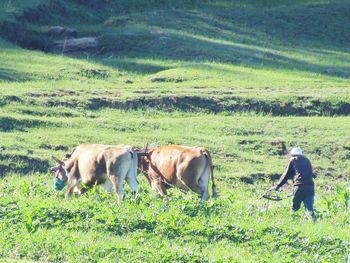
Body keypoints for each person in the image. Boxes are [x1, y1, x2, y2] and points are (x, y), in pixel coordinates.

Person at [270, 146, 316, 221]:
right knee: (309, 208)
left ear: (292, 155)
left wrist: (278, 186)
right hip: (310, 187)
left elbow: (286, 174)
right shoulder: (307, 160)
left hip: (299, 187)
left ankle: (291, 220)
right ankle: (313, 222)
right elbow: (311, 174)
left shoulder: (293, 160)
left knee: (295, 207)